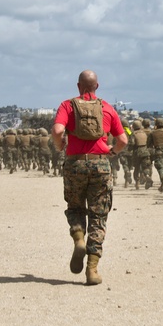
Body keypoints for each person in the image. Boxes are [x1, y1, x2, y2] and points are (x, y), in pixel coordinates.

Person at [51, 70, 128, 286]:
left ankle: (78, 239)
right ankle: (92, 269)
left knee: (75, 207)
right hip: (100, 164)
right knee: (98, 215)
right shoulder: (107, 108)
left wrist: (61, 145)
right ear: (97, 86)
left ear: (78, 86)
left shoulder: (68, 105)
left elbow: (57, 130)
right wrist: (111, 152)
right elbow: (123, 140)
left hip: (75, 163)